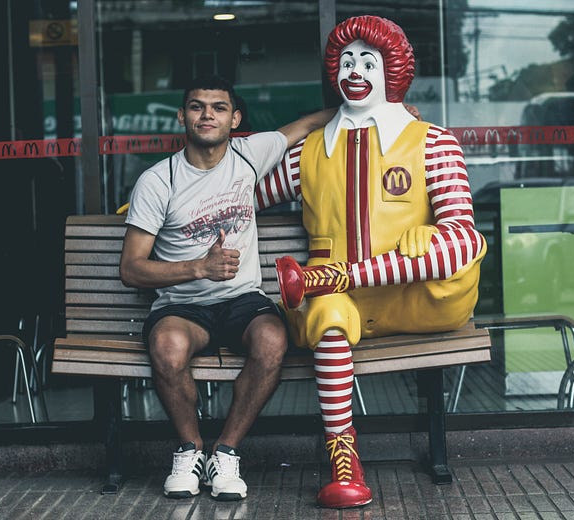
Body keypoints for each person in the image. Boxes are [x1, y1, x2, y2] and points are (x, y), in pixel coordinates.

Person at [255, 16, 487, 508]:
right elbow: (241, 196)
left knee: (445, 245)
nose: (353, 69)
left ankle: (333, 278)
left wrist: (413, 247)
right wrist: (166, 199)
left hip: (419, 299)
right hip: (338, 304)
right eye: (345, 60)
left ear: (393, 69)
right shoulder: (309, 153)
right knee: (327, 316)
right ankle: (345, 458)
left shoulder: (433, 142)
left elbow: (464, 239)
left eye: (368, 59)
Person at [119, 75, 335, 501]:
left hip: (242, 301)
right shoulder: (157, 181)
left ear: (235, 118)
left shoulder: (250, 154)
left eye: (218, 107)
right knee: (167, 346)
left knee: (274, 340)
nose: (207, 115)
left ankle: (226, 452)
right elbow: (131, 269)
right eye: (197, 106)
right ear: (182, 116)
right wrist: (199, 267)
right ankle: (189, 450)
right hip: (183, 306)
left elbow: (310, 123)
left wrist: (391, 112)